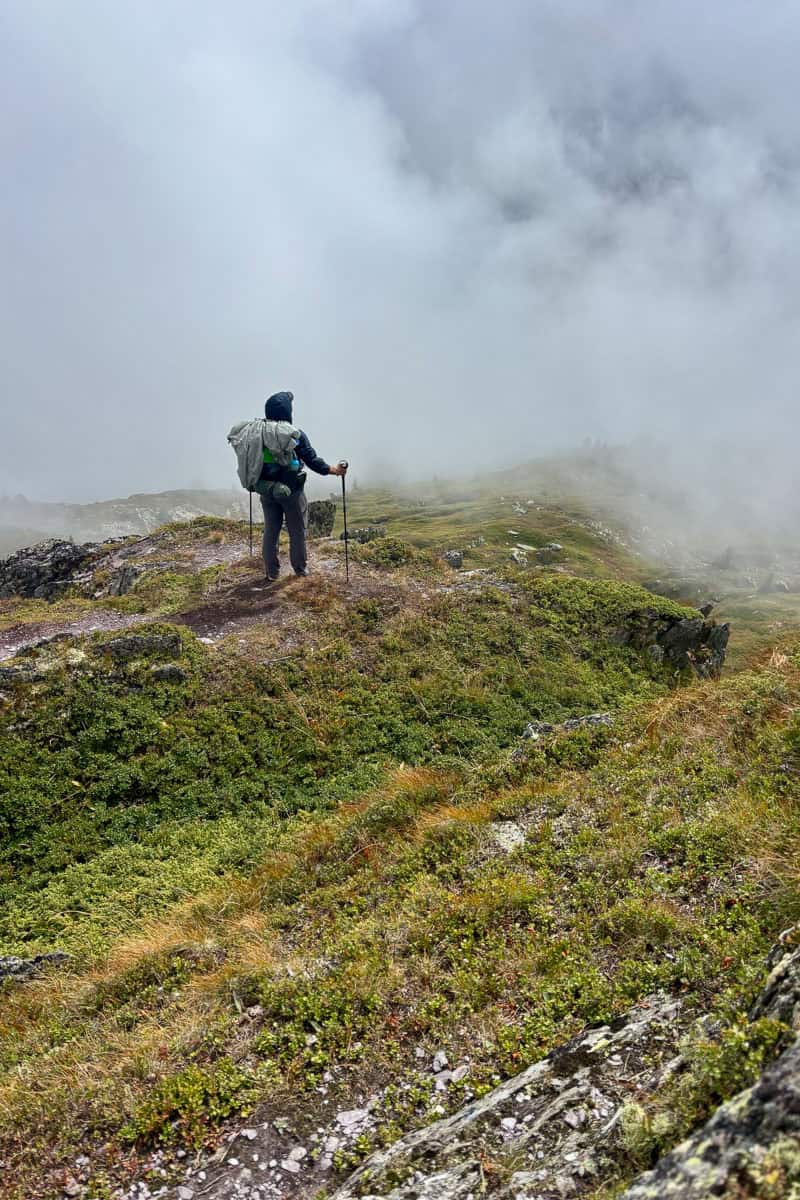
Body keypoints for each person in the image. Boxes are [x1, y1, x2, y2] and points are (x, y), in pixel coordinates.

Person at [258, 391, 346, 579]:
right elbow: (312, 460)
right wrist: (334, 470)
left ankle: (271, 572)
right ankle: (300, 569)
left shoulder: (258, 434)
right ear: (288, 411)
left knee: (271, 529)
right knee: (296, 530)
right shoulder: (294, 434)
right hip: (292, 491)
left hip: (267, 489)